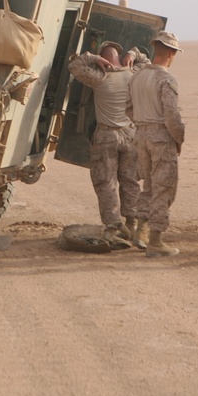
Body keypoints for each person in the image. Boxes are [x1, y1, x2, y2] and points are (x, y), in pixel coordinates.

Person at [67, 40, 149, 246]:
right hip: (130, 135)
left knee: (106, 183)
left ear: (104, 59)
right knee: (130, 180)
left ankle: (114, 226)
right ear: (119, 57)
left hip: (106, 136)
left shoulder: (99, 77)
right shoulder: (134, 74)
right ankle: (132, 223)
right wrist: (132, 52)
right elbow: (146, 61)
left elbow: (74, 65)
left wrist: (94, 59)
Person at [126, 31, 185, 257]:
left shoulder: (137, 77)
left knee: (149, 185)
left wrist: (142, 124)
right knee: (164, 188)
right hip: (161, 136)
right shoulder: (166, 79)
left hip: (141, 134)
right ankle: (156, 239)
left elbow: (127, 107)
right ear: (171, 52)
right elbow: (171, 116)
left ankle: (140, 231)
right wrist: (178, 138)